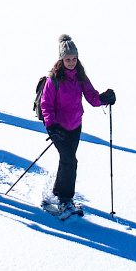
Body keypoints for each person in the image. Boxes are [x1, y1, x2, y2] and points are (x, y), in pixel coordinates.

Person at [38, 34, 116, 216]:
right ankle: (65, 200)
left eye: (74, 58)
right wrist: (52, 126)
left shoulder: (80, 77)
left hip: (75, 126)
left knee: (67, 160)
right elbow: (46, 105)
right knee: (70, 161)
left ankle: (59, 192)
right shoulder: (53, 79)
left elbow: (92, 97)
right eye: (68, 59)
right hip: (58, 128)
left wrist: (105, 98)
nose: (71, 62)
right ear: (61, 59)